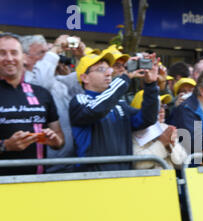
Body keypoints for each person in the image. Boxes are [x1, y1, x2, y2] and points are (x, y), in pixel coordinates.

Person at [69, 51, 160, 172]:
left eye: (109, 69)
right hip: (91, 177)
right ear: (84, 78)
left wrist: (151, 85)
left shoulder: (120, 104)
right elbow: (95, 110)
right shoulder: (80, 101)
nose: (108, 73)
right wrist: (125, 77)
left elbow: (147, 118)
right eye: (101, 69)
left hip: (123, 174)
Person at [0, 32, 64, 175]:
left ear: (24, 57)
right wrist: (5, 145)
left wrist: (54, 141)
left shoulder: (42, 93)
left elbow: (59, 139)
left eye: (14, 53)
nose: (9, 58)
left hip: (36, 184)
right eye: (2, 53)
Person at [23, 34, 84, 173]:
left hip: (68, 159)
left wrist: (82, 57)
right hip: (43, 163)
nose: (50, 56)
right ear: (25, 57)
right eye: (42, 52)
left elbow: (84, 82)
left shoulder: (58, 82)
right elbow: (42, 85)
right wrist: (55, 49)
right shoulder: (26, 81)